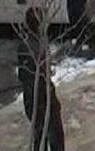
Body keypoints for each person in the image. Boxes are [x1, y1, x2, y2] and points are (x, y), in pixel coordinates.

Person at [18, 8, 65, 151]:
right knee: (45, 132)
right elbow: (27, 76)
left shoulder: (37, 39)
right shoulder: (29, 46)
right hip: (38, 95)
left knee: (49, 133)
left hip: (42, 91)